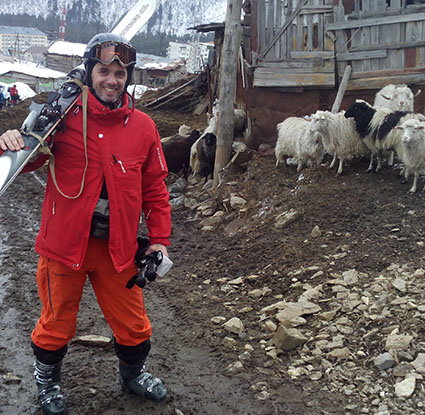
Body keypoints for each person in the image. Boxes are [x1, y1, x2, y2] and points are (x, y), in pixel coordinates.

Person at [0, 33, 171, 415]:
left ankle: (132, 376)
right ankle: (48, 383)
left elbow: (155, 189)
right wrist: (10, 141)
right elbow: (25, 161)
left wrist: (160, 240)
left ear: (128, 78)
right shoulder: (62, 118)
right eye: (104, 71)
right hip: (64, 247)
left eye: (120, 74)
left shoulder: (143, 127)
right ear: (90, 71)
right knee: (56, 324)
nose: (112, 80)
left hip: (118, 250)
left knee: (134, 326)